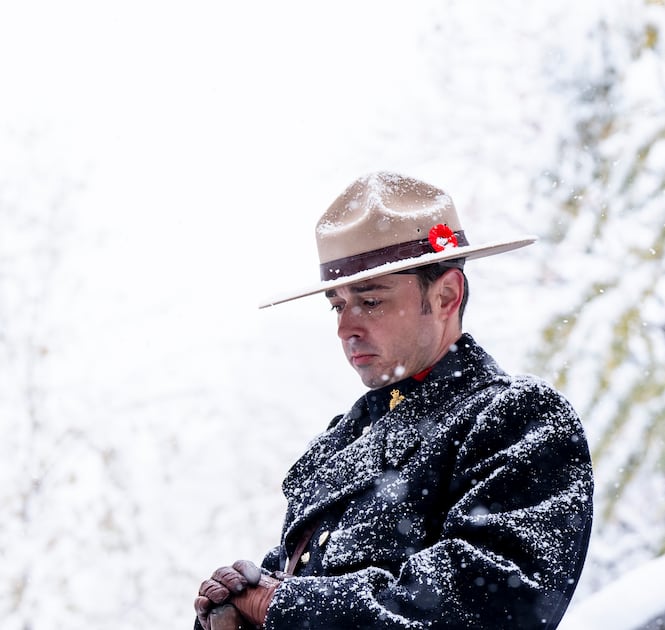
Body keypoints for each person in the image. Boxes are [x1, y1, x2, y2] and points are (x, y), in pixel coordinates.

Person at [194, 172, 594, 629]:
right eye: (337, 305)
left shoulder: (520, 418)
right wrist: (232, 606)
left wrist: (276, 606)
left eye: (371, 300)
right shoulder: (339, 444)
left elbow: (490, 604)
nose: (346, 327)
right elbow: (294, 585)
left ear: (446, 295)